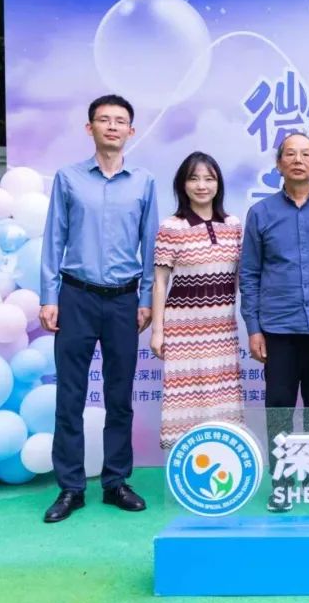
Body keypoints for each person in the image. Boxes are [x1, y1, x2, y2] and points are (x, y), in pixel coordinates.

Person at [39, 94, 158, 523]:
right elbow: (54, 238)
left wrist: (146, 299)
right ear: (89, 128)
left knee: (119, 396)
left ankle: (115, 482)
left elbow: (151, 245)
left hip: (124, 300)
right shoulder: (69, 178)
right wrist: (49, 297)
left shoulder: (144, 182)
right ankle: (71, 488)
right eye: (103, 120)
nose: (112, 126)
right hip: (76, 296)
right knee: (70, 395)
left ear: (131, 130)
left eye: (119, 120)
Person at [239, 132, 309, 512]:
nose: (298, 160)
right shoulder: (261, 213)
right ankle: (283, 481)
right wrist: (253, 327)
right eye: (290, 154)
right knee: (280, 407)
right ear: (279, 164)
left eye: (306, 154)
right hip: (278, 328)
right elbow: (250, 273)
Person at [150, 152, 244, 451]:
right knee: (186, 400)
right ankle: (188, 464)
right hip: (183, 331)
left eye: (209, 179)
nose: (202, 186)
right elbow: (160, 283)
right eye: (194, 179)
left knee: (222, 398)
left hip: (223, 330)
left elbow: (240, 278)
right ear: (182, 184)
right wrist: (158, 331)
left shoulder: (233, 225)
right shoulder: (171, 227)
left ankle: (224, 460)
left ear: (219, 184)